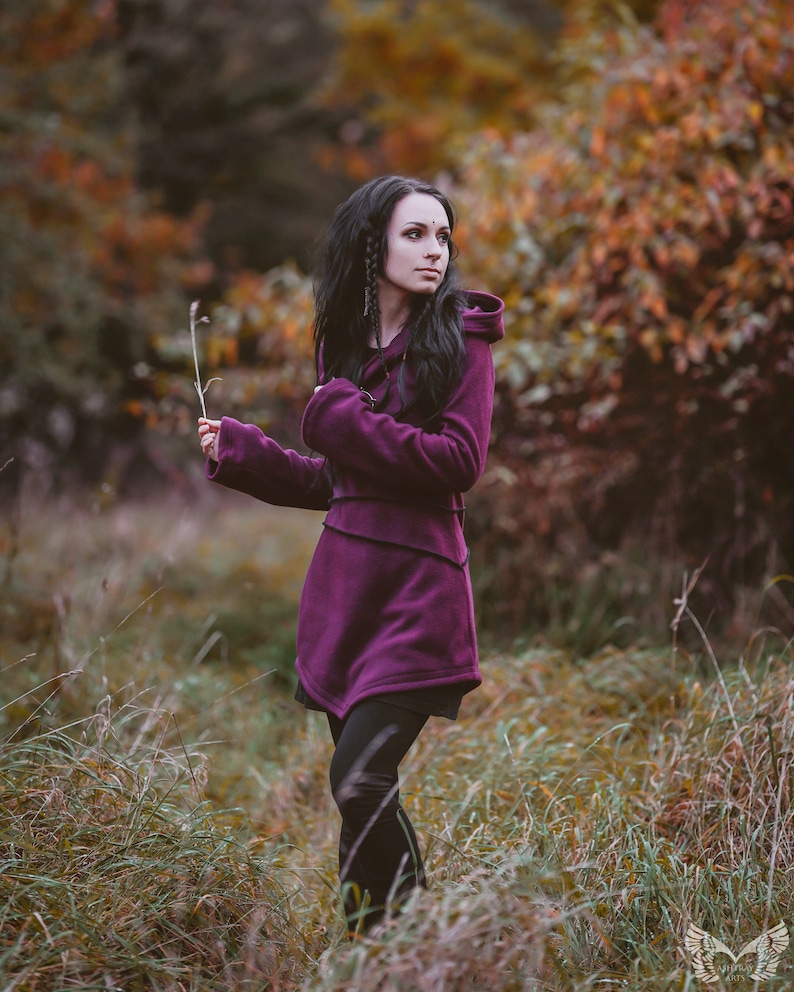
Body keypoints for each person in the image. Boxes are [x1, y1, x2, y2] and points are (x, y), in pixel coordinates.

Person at [198, 174, 504, 936]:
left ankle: (413, 943)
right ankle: (388, 953)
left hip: (419, 597)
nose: (435, 251)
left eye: (442, 236)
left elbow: (457, 461)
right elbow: (339, 484)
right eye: (415, 234)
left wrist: (338, 419)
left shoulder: (462, 339)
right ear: (373, 246)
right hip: (347, 598)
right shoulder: (342, 346)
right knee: (363, 791)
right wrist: (246, 454)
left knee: (359, 778)